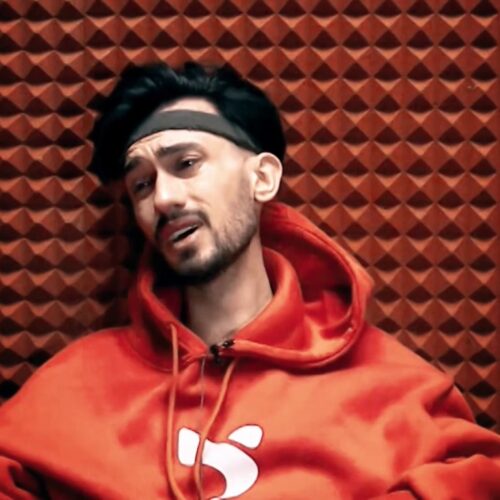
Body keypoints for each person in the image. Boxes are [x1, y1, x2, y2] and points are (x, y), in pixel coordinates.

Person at [0, 62, 499, 500]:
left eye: (186, 164)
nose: (163, 199)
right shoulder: (75, 386)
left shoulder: (391, 388)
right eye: (142, 184)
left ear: (262, 178)